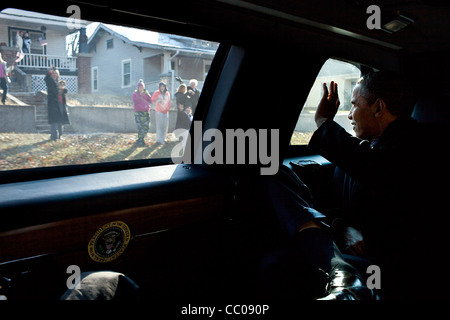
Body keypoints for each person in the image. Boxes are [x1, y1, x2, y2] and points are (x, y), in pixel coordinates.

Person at [44, 67, 70, 140]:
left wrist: (63, 89)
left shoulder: (59, 82)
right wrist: (49, 72)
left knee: (60, 120)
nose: (54, 75)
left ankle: (60, 135)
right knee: (54, 121)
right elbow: (46, 78)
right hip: (53, 104)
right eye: (53, 73)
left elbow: (64, 91)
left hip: (61, 103)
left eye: (55, 73)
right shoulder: (50, 81)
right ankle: (53, 136)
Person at [132, 80, 152, 147]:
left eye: (142, 87)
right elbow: (136, 101)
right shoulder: (135, 94)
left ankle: (141, 139)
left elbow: (150, 101)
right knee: (140, 127)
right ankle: (141, 140)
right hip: (139, 113)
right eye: (140, 87)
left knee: (146, 127)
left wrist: (147, 94)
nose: (141, 88)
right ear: (138, 88)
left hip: (146, 112)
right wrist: (141, 95)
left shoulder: (146, 94)